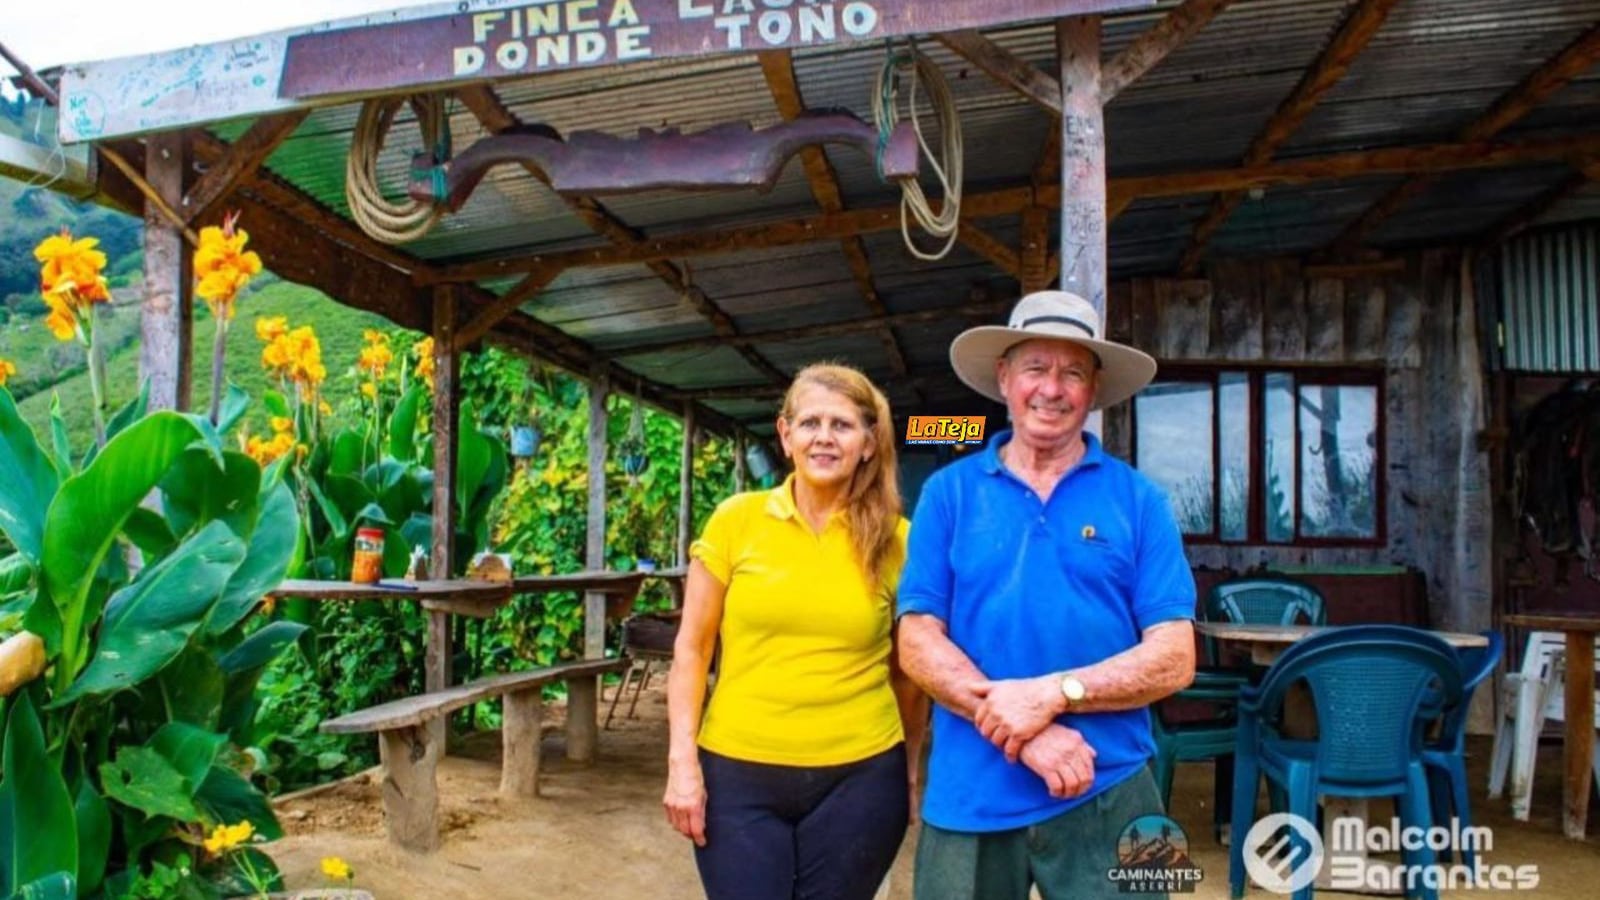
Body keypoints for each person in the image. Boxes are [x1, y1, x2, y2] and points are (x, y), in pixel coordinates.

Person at [896, 290, 1198, 900]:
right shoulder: (948, 494)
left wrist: (1055, 693)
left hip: (1109, 782)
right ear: (1004, 377)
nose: (1051, 389)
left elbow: (1175, 655)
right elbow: (916, 641)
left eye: (1073, 373)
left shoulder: (1140, 501)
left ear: (1094, 389)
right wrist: (1028, 730)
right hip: (972, 791)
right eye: (1035, 367)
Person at [663, 362, 928, 900]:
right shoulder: (736, 520)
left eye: (843, 424)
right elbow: (692, 650)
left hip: (860, 778)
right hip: (737, 772)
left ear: (870, 443)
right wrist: (681, 764)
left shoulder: (901, 540)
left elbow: (910, 675)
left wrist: (907, 767)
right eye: (810, 423)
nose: (824, 438)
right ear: (785, 436)